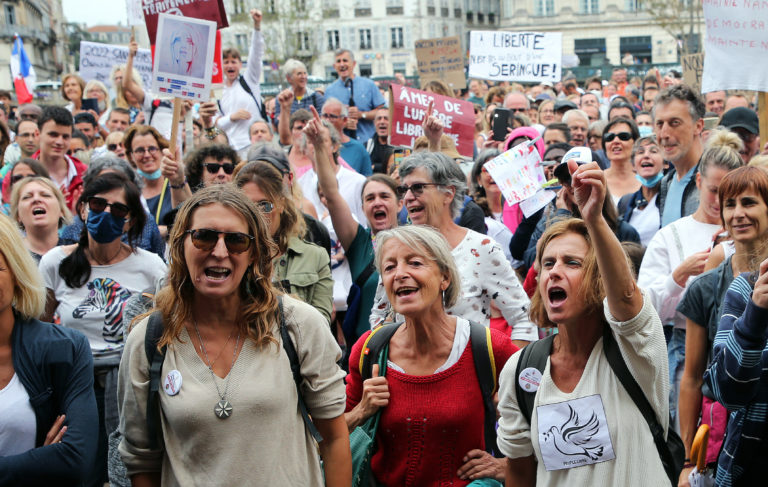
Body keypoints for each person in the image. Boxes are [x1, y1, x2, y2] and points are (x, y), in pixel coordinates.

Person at [116, 184, 350, 485]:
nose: (220, 251)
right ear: (180, 244)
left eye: (237, 241)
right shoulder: (149, 339)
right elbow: (140, 459)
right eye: (204, 237)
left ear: (254, 253)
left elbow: (334, 438)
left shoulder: (297, 325)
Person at [496, 161, 670, 485]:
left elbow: (627, 297)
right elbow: (519, 472)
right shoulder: (521, 370)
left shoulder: (636, 349)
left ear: (598, 278)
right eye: (548, 263)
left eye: (572, 262)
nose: (554, 272)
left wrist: (594, 220)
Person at [345, 225, 517, 486]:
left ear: (444, 278)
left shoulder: (489, 347)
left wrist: (509, 466)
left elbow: (544, 417)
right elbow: (331, 434)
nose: (400, 274)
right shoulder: (369, 350)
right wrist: (362, 411)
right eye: (389, 268)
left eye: (414, 263)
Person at [39, 173, 167, 487]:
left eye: (119, 210)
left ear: (130, 220)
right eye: (98, 204)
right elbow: (39, 327)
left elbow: (166, 327)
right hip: (74, 385)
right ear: (83, 209)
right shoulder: (55, 261)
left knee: (125, 468)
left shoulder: (150, 266)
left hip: (129, 386)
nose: (106, 214)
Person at [371, 148, 539, 346]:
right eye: (404, 189)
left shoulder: (481, 247)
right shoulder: (396, 247)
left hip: (469, 373)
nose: (408, 197)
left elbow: (524, 318)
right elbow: (379, 317)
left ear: (448, 193)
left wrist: (503, 370)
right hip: (408, 372)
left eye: (417, 188)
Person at [637, 132, 743, 433]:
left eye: (731, 193)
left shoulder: (748, 232)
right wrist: (678, 275)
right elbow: (644, 309)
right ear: (698, 183)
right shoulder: (671, 235)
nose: (721, 202)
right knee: (685, 433)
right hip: (682, 346)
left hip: (738, 345)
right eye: (714, 190)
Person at [677, 166, 768, 485]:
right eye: (730, 204)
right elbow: (691, 377)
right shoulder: (705, 288)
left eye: (749, 203)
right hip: (725, 441)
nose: (738, 213)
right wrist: (689, 460)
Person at [0, 213, 98, 486]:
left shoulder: (65, 349)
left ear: (17, 273)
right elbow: (57, 462)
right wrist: (39, 461)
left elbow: (76, 459)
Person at [235, 162, 333, 323]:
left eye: (264, 205)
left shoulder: (314, 256)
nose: (257, 215)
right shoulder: (230, 255)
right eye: (248, 207)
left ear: (280, 204)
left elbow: (321, 324)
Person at [59, 156, 166, 260]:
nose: (111, 191)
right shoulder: (73, 229)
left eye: (118, 184)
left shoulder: (146, 224)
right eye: (103, 185)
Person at [3, 106, 88, 213]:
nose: (59, 142)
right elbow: (10, 217)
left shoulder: (85, 174)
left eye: (65, 136)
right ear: (38, 134)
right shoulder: (17, 175)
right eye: (53, 135)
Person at [124, 125, 191, 235]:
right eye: (140, 150)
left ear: (161, 150)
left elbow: (188, 221)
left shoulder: (177, 183)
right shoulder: (128, 190)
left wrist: (177, 180)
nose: (147, 155)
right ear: (131, 156)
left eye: (152, 149)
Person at [654, 85, 705, 227]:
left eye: (674, 123)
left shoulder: (715, 179)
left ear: (698, 126)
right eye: (659, 124)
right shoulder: (666, 183)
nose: (664, 134)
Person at [216, 9, 265, 157]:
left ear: (240, 64)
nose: (230, 66)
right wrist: (232, 117)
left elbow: (256, 55)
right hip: (231, 149)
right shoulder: (218, 90)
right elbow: (215, 123)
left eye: (233, 62)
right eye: (226, 62)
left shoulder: (249, 80)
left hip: (254, 145)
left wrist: (256, 27)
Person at [324, 48, 386, 144]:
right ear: (334, 66)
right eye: (338, 61)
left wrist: (362, 115)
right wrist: (342, 123)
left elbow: (383, 111)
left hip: (369, 143)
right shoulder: (330, 91)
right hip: (342, 146)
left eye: (345, 60)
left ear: (353, 64)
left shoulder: (369, 85)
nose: (342, 64)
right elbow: (325, 121)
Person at [617, 135, 664, 246]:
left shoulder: (672, 199)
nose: (646, 155)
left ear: (666, 163)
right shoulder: (626, 202)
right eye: (640, 152)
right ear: (633, 165)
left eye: (654, 151)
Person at [10, 176, 71, 262]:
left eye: (45, 195)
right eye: (27, 197)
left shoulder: (79, 252)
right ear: (18, 215)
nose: (36, 199)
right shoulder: (8, 256)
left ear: (61, 211)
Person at [321, 98, 372, 176]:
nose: (327, 120)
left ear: (344, 120)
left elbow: (367, 180)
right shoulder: (314, 146)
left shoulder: (358, 149)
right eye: (324, 116)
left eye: (332, 116)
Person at [273, 58, 325, 126]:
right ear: (289, 78)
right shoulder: (282, 99)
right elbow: (278, 122)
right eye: (299, 74)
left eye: (305, 73)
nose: (303, 77)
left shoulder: (316, 98)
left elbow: (323, 121)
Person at [602, 117, 640, 204]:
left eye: (624, 136)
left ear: (635, 142)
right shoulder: (596, 180)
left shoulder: (646, 181)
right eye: (609, 137)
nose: (615, 141)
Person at [367, 107, 394, 174]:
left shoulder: (400, 147)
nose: (382, 122)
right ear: (374, 123)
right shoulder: (367, 146)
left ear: (393, 122)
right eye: (379, 119)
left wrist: (375, 167)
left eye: (386, 118)